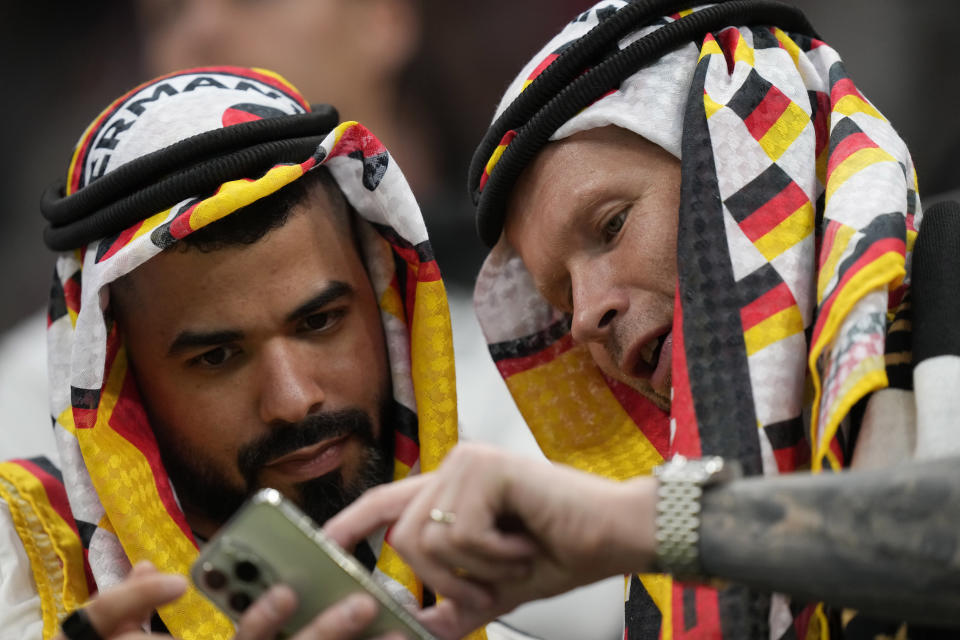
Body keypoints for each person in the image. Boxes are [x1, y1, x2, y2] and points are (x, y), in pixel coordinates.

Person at [325, 1, 960, 639]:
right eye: (561, 298)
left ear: (748, 153)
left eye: (612, 225)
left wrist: (647, 525)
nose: (585, 321)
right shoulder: (660, 588)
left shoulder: (951, 262)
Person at [0, 66, 471, 640]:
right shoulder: (20, 572)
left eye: (319, 322)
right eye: (218, 357)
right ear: (122, 384)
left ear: (385, 300)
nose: (293, 401)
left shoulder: (546, 561)